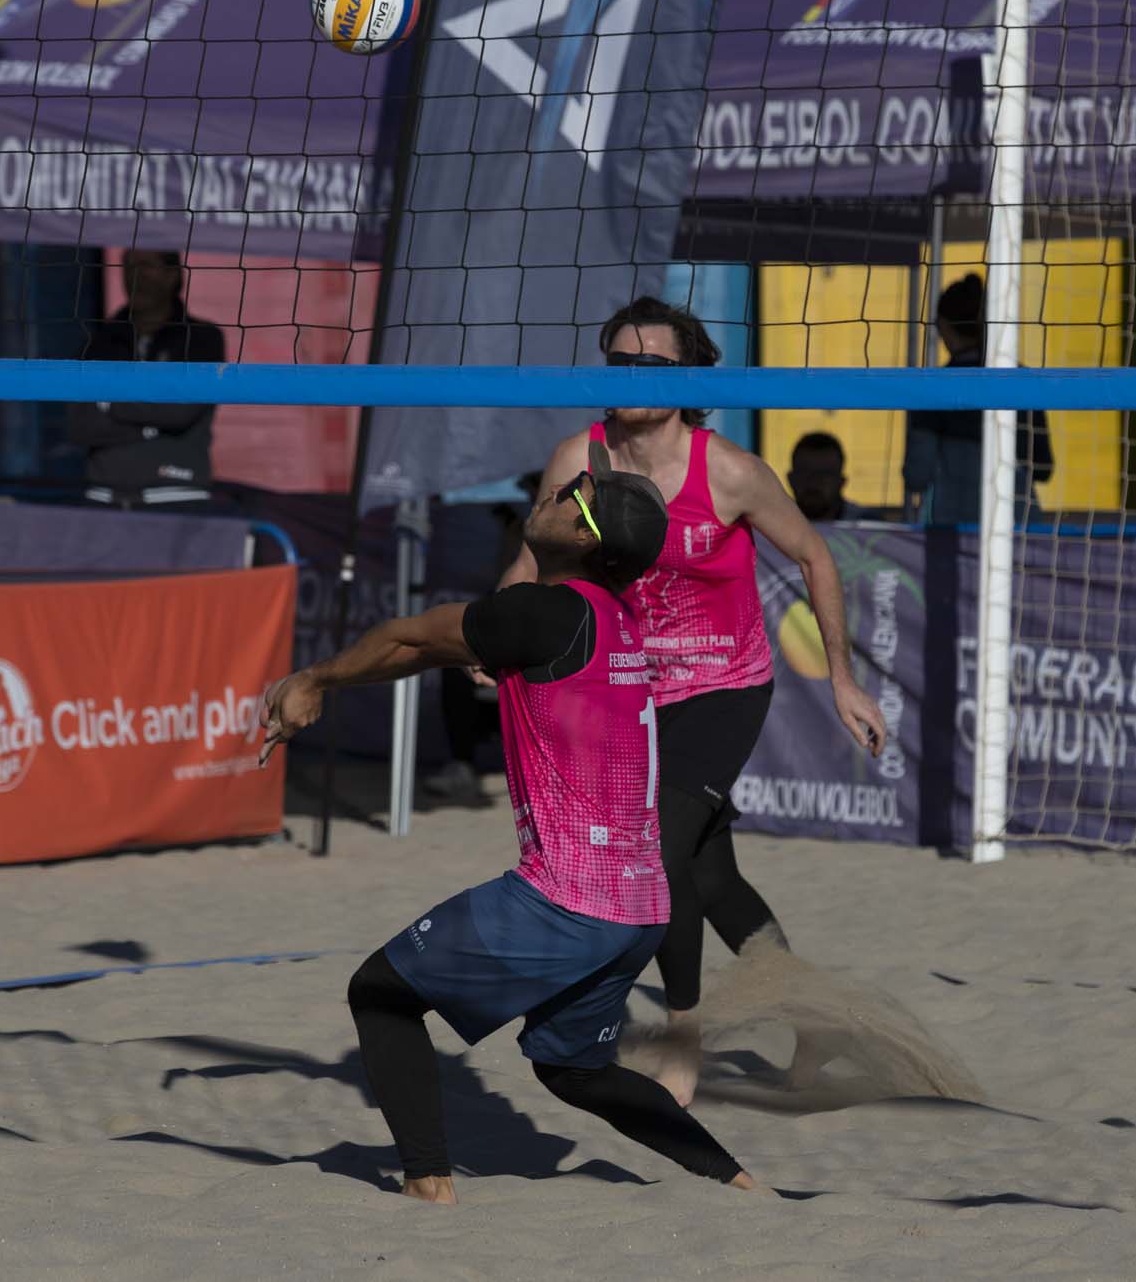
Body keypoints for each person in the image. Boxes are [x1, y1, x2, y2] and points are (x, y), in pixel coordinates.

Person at [259, 442, 755, 1203]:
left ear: (585, 535)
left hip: (566, 901)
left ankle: (428, 1181)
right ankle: (739, 1181)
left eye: (574, 493)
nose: (555, 491)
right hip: (640, 907)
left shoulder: (544, 613)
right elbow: (437, 650)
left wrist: (315, 678)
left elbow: (409, 639)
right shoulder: (615, 617)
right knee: (573, 1069)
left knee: (381, 993)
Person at [498, 295, 887, 1108]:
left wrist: (844, 680)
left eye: (655, 364)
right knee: (713, 879)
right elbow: (532, 561)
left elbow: (816, 556)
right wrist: (498, 628)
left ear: (688, 378)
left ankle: (683, 1037)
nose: (635, 376)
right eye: (622, 362)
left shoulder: (730, 472)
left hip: (724, 686)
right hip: (631, 690)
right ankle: (816, 1022)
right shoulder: (581, 457)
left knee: (660, 851)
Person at [69, 249, 225, 510]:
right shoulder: (98, 343)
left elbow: (180, 411)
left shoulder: (202, 339)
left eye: (146, 265)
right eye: (128, 265)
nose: (135, 275)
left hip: (178, 497)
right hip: (103, 498)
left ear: (172, 275)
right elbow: (80, 426)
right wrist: (152, 425)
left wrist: (109, 403)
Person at [423, 473, 541, 807]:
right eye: (529, 489)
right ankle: (462, 764)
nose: (531, 495)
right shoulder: (520, 528)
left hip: (549, 637)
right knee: (457, 661)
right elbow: (507, 591)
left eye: (533, 488)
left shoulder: (563, 530)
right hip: (516, 628)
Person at [903, 272, 1054, 525]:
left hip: (954, 529)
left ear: (942, 326)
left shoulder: (933, 389)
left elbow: (917, 474)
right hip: (1019, 522)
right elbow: (1043, 466)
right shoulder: (1022, 381)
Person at [787, 432, 878, 522]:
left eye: (824, 474)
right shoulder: (778, 523)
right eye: (804, 472)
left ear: (841, 482)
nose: (814, 481)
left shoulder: (869, 525)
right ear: (791, 479)